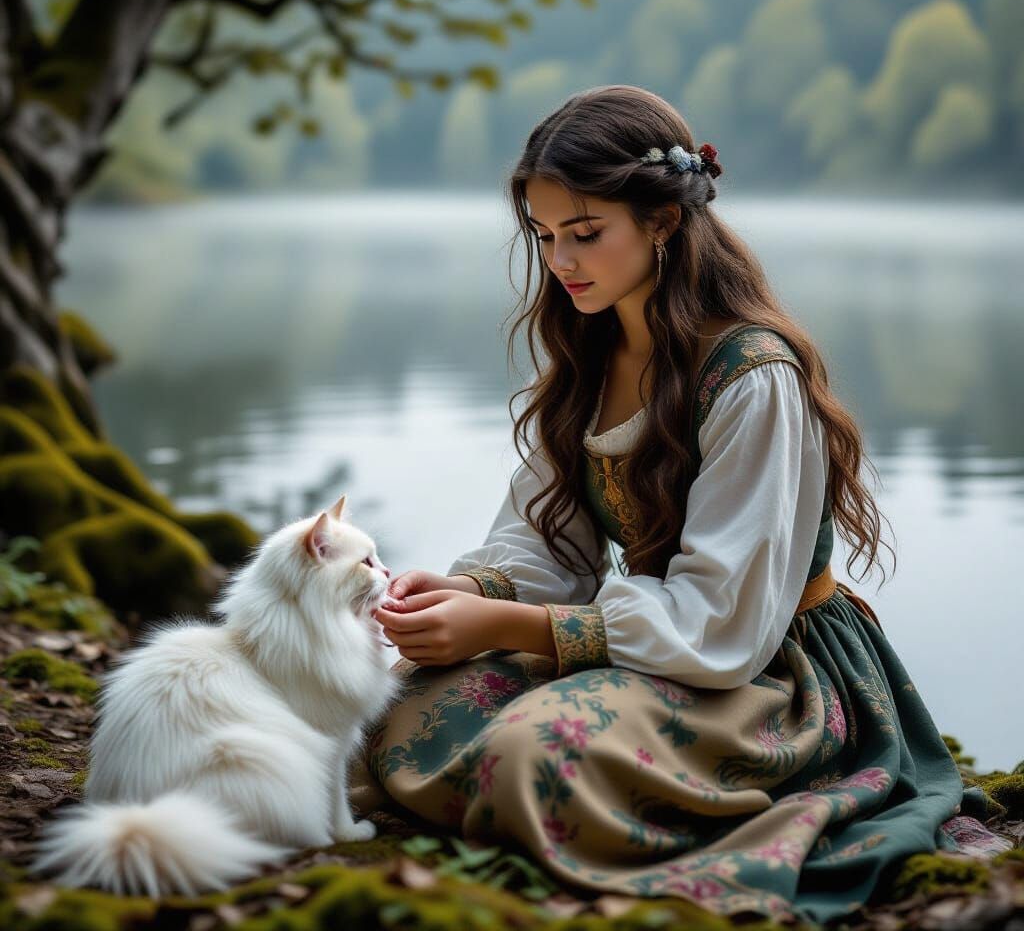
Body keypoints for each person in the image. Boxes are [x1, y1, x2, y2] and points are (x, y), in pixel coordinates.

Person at [353, 85, 1013, 926]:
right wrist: (474, 597)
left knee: (530, 751)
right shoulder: (588, 355)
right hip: (656, 640)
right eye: (545, 235)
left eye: (586, 234)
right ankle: (575, 805)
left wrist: (513, 631)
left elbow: (721, 619)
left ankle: (696, 807)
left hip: (764, 668)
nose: (562, 261)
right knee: (407, 707)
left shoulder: (752, 375)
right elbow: (545, 542)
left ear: (663, 219)